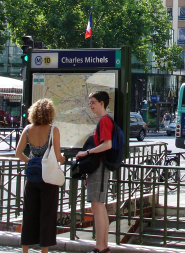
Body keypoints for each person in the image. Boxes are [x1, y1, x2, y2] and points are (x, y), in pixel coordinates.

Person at [15, 99, 65, 253]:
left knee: (29, 214)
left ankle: (25, 249)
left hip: (32, 178)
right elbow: (57, 157)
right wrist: (63, 159)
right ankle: (44, 251)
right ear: (50, 113)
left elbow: (18, 153)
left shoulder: (28, 129)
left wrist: (31, 161)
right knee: (47, 215)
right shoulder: (53, 130)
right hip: (48, 179)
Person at [75, 91, 114, 253]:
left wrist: (87, 153)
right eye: (90, 102)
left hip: (98, 166)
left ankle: (100, 247)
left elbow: (107, 145)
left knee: (97, 207)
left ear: (102, 104)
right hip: (100, 166)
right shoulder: (106, 120)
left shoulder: (104, 121)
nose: (90, 105)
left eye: (93, 102)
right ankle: (103, 246)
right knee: (100, 207)